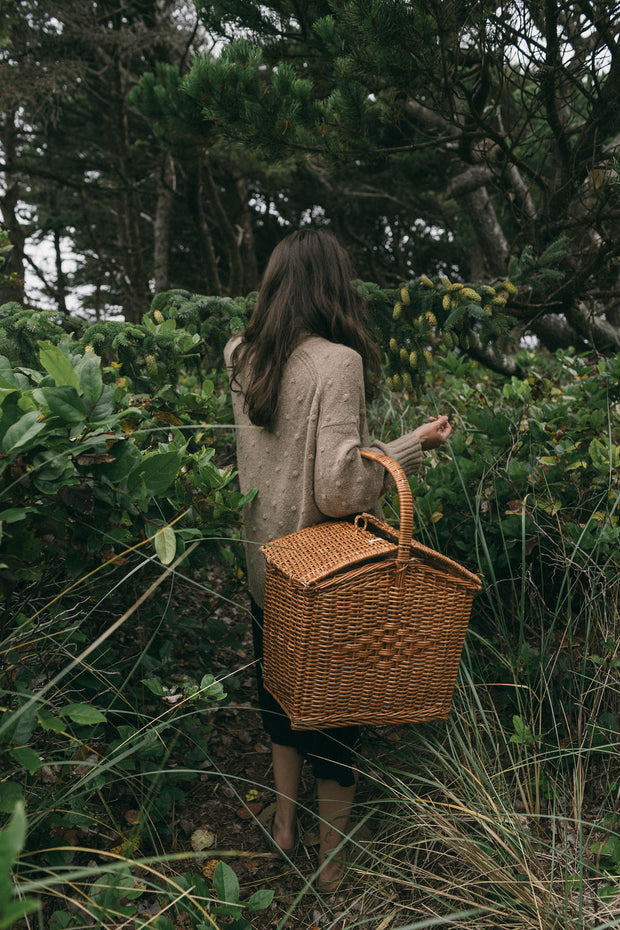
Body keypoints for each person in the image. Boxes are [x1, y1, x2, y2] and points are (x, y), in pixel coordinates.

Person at [224, 228, 452, 892]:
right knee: (333, 717)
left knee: (277, 696)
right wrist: (413, 444)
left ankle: (285, 827)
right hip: (320, 580)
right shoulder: (337, 363)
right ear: (333, 288)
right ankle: (332, 866)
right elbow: (339, 488)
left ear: (273, 285)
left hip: (263, 568)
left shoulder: (239, 356)